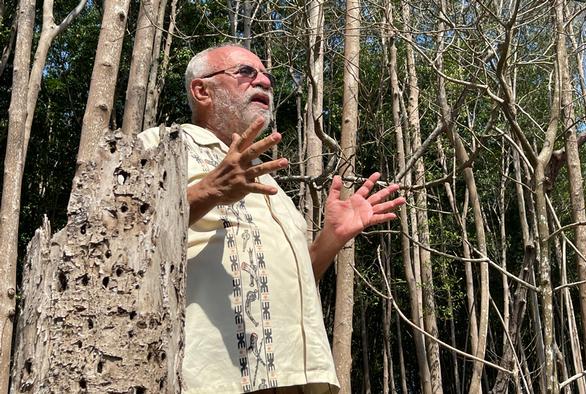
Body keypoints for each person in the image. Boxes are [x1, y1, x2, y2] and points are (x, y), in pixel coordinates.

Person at [138, 44, 405, 394]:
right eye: (247, 73)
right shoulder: (161, 144)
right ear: (201, 90)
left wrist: (332, 239)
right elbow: (128, 234)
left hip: (294, 377)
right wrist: (210, 191)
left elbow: (295, 280)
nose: (263, 81)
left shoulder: (268, 183)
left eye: (268, 77)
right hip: (215, 378)